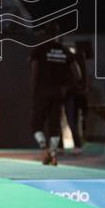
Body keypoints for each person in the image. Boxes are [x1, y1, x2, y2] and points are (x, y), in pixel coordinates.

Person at [30, 31, 78, 165]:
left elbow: (35, 72)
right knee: (55, 125)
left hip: (42, 92)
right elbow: (77, 74)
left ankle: (44, 149)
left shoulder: (39, 50)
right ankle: (53, 153)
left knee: (36, 124)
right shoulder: (65, 51)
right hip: (58, 93)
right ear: (58, 35)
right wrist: (65, 88)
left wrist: (34, 91)